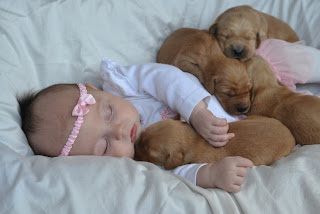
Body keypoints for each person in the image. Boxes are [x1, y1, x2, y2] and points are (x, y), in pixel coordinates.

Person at [19, 58, 253, 193]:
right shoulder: (139, 162)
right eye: (104, 147)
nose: (119, 131)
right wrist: (210, 174)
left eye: (108, 112)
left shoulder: (125, 86)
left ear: (96, 90)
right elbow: (173, 176)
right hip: (243, 133)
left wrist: (196, 111)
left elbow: (165, 77)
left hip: (226, 98)